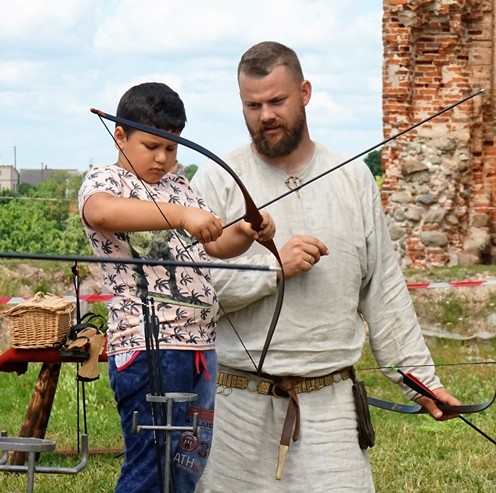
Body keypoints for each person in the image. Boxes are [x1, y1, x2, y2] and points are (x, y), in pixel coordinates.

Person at [190, 41, 460, 493]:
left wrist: (421, 383)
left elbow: (384, 291)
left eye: (277, 101)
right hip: (237, 405)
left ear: (305, 92)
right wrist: (274, 269)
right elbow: (194, 293)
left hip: (331, 403)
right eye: (252, 105)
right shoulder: (218, 180)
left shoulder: (352, 179)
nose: (266, 116)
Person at [77, 81, 275, 493]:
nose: (163, 158)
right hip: (150, 349)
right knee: (151, 468)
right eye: (151, 146)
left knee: (186, 465)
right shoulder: (105, 181)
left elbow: (216, 244)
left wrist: (246, 230)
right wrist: (181, 216)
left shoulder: (178, 185)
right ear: (120, 135)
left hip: (199, 350)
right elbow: (100, 212)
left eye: (171, 148)